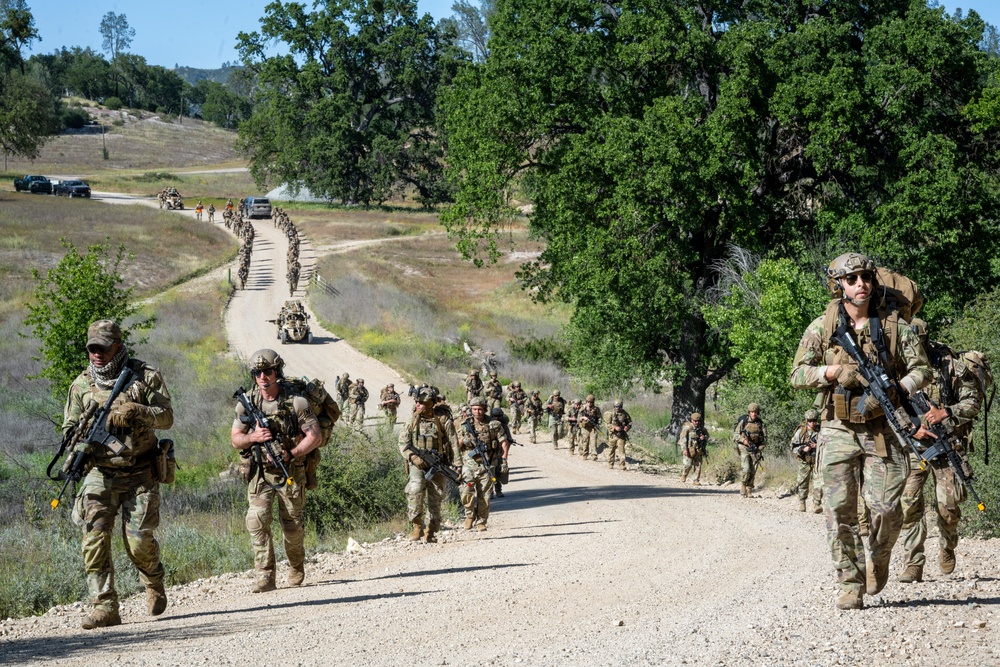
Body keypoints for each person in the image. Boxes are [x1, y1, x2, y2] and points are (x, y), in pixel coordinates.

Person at [790, 252, 932, 610]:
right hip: (837, 427)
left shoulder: (894, 325)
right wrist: (832, 373)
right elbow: (796, 375)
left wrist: (898, 389)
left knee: (885, 508)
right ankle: (850, 583)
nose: (860, 284)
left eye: (865, 277)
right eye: (851, 279)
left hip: (882, 427)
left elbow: (922, 370)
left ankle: (879, 558)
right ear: (838, 284)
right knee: (839, 509)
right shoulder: (822, 326)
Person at [63, 320, 174, 629]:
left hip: (140, 471)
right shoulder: (80, 385)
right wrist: (80, 434)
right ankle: (104, 605)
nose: (96, 354)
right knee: (94, 538)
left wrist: (137, 410)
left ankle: (153, 580)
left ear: (118, 347)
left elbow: (167, 417)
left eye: (102, 348)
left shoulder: (145, 377)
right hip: (100, 473)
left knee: (138, 542)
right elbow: (68, 427)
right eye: (92, 349)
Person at [898, 319, 983, 583]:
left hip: (946, 446)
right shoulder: (897, 367)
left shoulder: (949, 366)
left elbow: (973, 403)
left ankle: (947, 546)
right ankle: (913, 563)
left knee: (948, 508)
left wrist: (946, 412)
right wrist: (912, 427)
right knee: (908, 504)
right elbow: (887, 406)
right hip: (913, 446)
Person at [231, 350, 322, 593]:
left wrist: (291, 453)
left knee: (292, 526)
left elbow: (315, 436)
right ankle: (265, 576)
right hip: (260, 473)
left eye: (267, 371)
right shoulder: (247, 403)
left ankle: (295, 566)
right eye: (257, 373)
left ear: (277, 371)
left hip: (289, 470)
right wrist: (253, 436)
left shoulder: (296, 402)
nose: (262, 376)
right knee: (256, 522)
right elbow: (236, 440)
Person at [398, 388, 459, 542]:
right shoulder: (413, 420)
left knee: (436, 496)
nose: (418, 405)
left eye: (422, 402)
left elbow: (453, 442)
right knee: (415, 490)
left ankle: (431, 530)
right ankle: (416, 526)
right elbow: (402, 442)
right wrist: (412, 457)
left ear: (431, 403)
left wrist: (458, 464)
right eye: (417, 402)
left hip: (438, 463)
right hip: (418, 464)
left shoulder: (443, 420)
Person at [458, 397, 508, 530]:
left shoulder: (494, 424)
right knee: (466, 491)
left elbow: (503, 442)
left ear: (485, 409)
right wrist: (464, 440)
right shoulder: (464, 425)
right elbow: (456, 444)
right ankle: (469, 515)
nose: (477, 412)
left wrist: (503, 460)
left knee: (485, 495)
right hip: (469, 464)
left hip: (487, 465)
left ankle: (481, 521)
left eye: (480, 409)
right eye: (474, 409)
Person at [791, 409, 823, 513]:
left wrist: (817, 446)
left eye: (814, 420)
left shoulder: (821, 431)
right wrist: (803, 449)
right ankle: (802, 502)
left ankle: (816, 504)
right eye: (809, 420)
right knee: (802, 483)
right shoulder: (801, 432)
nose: (812, 423)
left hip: (817, 461)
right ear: (806, 420)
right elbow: (793, 447)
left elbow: (828, 445)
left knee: (819, 483)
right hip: (804, 461)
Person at [733, 404, 767, 498]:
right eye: (752, 412)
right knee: (746, 468)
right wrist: (743, 440)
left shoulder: (760, 423)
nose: (754, 414)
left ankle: (749, 489)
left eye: (755, 412)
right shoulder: (743, 422)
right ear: (749, 413)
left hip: (755, 449)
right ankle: (743, 484)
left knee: (753, 470)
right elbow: (735, 435)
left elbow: (764, 439)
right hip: (744, 448)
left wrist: (759, 449)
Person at [678, 412, 710, 484]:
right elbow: (683, 439)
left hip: (698, 450)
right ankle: (684, 475)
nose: (697, 422)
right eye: (695, 421)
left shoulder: (702, 429)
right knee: (688, 465)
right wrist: (684, 449)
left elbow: (707, 436)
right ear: (692, 420)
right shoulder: (688, 428)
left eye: (698, 421)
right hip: (689, 449)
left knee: (698, 465)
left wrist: (704, 437)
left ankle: (696, 480)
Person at [607, 399, 631, 470]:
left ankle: (622, 465)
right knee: (611, 450)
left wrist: (627, 427)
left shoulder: (625, 414)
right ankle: (610, 463)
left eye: (619, 406)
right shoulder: (611, 413)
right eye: (616, 406)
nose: (617, 408)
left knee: (622, 451)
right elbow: (607, 424)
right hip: (613, 435)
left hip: (621, 435)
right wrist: (614, 427)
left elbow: (630, 422)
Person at [578, 394, 602, 461]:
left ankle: (594, 455)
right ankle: (585, 454)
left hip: (592, 427)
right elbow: (578, 418)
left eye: (591, 402)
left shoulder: (596, 409)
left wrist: (598, 423)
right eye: (588, 402)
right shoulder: (582, 408)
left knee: (593, 441)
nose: (589, 403)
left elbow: (600, 418)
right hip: (585, 427)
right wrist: (583, 417)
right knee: (585, 441)